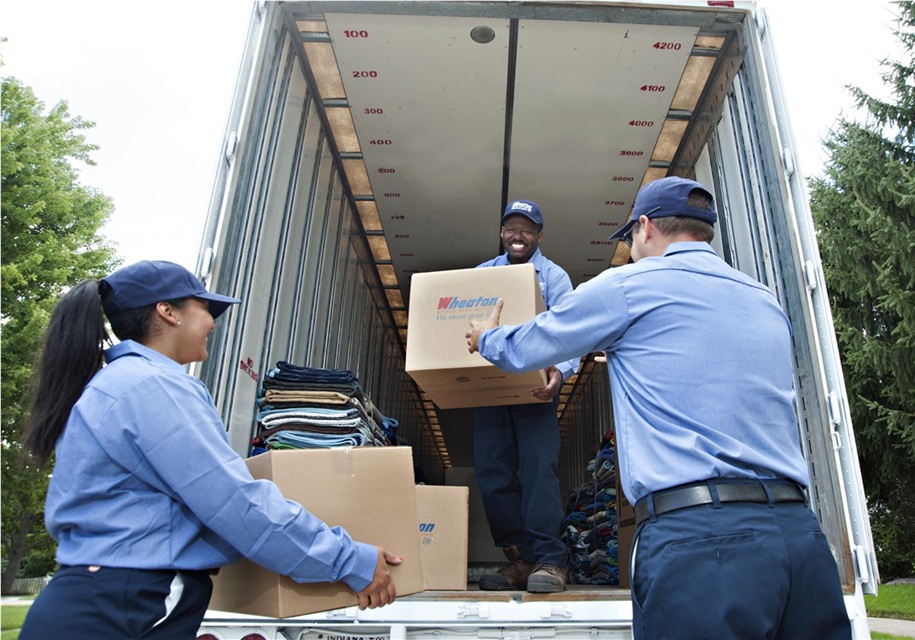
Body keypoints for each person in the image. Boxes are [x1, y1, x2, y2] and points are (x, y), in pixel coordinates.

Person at [466, 178, 851, 638]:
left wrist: (486, 337)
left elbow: (531, 346)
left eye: (629, 238)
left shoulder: (630, 286)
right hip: (799, 538)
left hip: (702, 542)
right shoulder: (764, 299)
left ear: (645, 227)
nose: (630, 248)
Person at [20, 260, 402, 640]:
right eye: (205, 309)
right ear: (167, 312)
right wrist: (351, 559)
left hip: (102, 601)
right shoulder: (151, 387)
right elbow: (236, 504)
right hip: (122, 608)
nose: (213, 323)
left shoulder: (122, 383)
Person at [472, 199, 579, 593]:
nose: (518, 235)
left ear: (539, 235)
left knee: (538, 470)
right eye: (511, 228)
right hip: (491, 388)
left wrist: (561, 372)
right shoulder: (482, 275)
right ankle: (521, 558)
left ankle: (551, 558)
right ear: (502, 233)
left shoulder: (554, 277)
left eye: (526, 229)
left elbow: (572, 331)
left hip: (535, 390)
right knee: (492, 470)